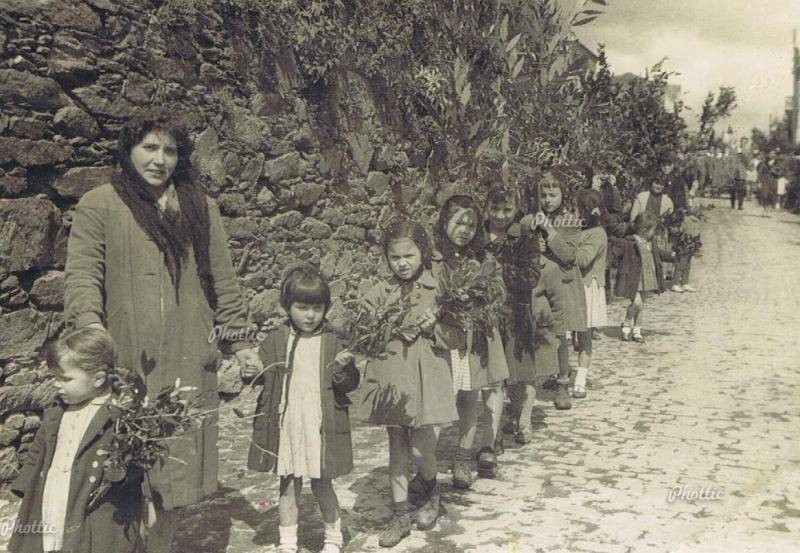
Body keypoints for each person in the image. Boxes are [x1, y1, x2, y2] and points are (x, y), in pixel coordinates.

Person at [63, 106, 262, 552]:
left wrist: (240, 341)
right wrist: (91, 331)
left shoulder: (199, 207)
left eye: (169, 151)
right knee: (121, 469)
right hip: (124, 357)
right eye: (149, 147)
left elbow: (223, 281)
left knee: (173, 471)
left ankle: (160, 545)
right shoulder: (100, 204)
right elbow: (82, 275)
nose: (159, 160)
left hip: (186, 356)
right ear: (128, 150)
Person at [247, 267, 359, 553]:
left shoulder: (333, 341)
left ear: (326, 308)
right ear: (287, 306)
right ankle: (288, 543)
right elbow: (260, 376)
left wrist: (343, 369)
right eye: (302, 307)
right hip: (288, 423)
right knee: (288, 485)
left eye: (317, 308)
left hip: (320, 424)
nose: (310, 315)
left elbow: (348, 384)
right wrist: (252, 371)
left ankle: (333, 539)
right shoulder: (275, 339)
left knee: (323, 485)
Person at [359, 219, 457, 547]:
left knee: (420, 448)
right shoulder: (378, 292)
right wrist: (381, 327)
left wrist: (434, 328)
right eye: (395, 257)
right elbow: (365, 336)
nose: (402, 263)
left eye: (409, 256)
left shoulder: (440, 290)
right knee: (397, 446)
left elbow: (457, 337)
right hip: (393, 379)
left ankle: (429, 488)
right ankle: (400, 514)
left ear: (423, 253)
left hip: (428, 378)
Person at [9, 327, 145, 553]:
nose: (56, 384)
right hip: (53, 492)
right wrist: (26, 489)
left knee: (84, 542)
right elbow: (38, 451)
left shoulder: (118, 415)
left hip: (90, 501)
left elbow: (133, 465)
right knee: (47, 540)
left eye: (65, 378)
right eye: (54, 377)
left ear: (98, 379)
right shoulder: (57, 411)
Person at [434, 194, 508, 489]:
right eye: (458, 223)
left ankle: (463, 458)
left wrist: (480, 297)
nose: (464, 230)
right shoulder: (433, 259)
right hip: (442, 338)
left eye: (471, 225)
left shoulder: (482, 260)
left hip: (471, 338)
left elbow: (497, 291)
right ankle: (426, 465)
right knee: (437, 400)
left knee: (469, 399)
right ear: (444, 222)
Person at [483, 185, 541, 445]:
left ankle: (524, 420)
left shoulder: (525, 236)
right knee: (494, 374)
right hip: (487, 315)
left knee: (522, 371)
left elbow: (531, 276)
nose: (500, 215)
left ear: (517, 209)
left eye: (507, 209)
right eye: (494, 208)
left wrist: (498, 270)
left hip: (516, 313)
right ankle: (494, 427)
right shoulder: (478, 234)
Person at [529, 171, 588, 411]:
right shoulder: (533, 218)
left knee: (560, 335)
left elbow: (569, 255)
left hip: (563, 283)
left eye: (553, 195)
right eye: (543, 195)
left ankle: (563, 383)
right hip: (538, 282)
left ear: (563, 195)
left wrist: (550, 233)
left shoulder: (570, 222)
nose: (547, 200)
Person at [615, 212, 674, 342]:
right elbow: (617, 256)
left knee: (641, 305)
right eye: (653, 230)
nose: (654, 233)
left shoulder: (651, 242)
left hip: (648, 276)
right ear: (643, 230)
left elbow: (659, 254)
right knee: (637, 303)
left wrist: (672, 255)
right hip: (634, 277)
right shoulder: (629, 241)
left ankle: (637, 330)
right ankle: (626, 323)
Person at [573, 189, 608, 399]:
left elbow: (584, 259)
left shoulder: (597, 233)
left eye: (578, 209)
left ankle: (580, 379)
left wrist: (563, 243)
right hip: (574, 286)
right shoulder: (581, 230)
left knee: (584, 335)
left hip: (586, 288)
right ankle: (559, 374)